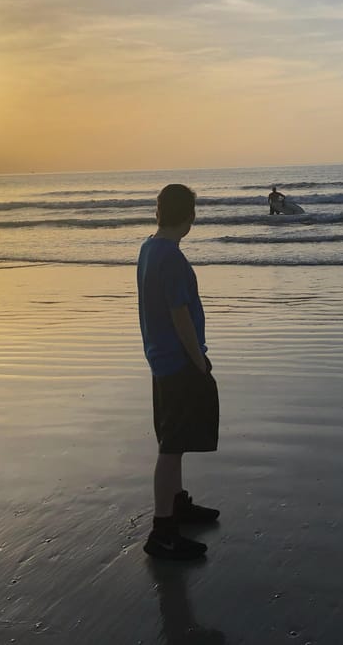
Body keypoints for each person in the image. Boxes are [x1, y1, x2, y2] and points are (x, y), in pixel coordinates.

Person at [137, 184, 220, 560]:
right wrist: (198, 360)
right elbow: (179, 313)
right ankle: (163, 530)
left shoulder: (150, 248)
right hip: (176, 360)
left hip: (161, 357)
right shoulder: (170, 257)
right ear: (189, 216)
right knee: (171, 445)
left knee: (176, 439)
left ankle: (177, 504)